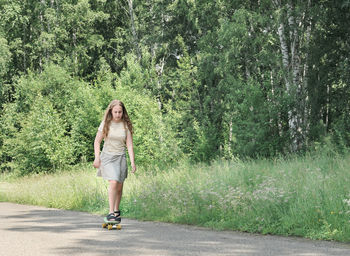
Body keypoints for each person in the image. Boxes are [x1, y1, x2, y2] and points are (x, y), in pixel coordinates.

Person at [93, 99, 136, 222]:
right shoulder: (105, 124)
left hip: (120, 157)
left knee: (119, 185)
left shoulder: (125, 125)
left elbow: (129, 145)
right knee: (113, 182)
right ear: (111, 111)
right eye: (115, 112)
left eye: (120, 112)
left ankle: (116, 210)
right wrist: (97, 157)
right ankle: (111, 212)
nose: (118, 114)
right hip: (108, 157)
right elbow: (97, 141)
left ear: (123, 112)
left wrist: (132, 162)